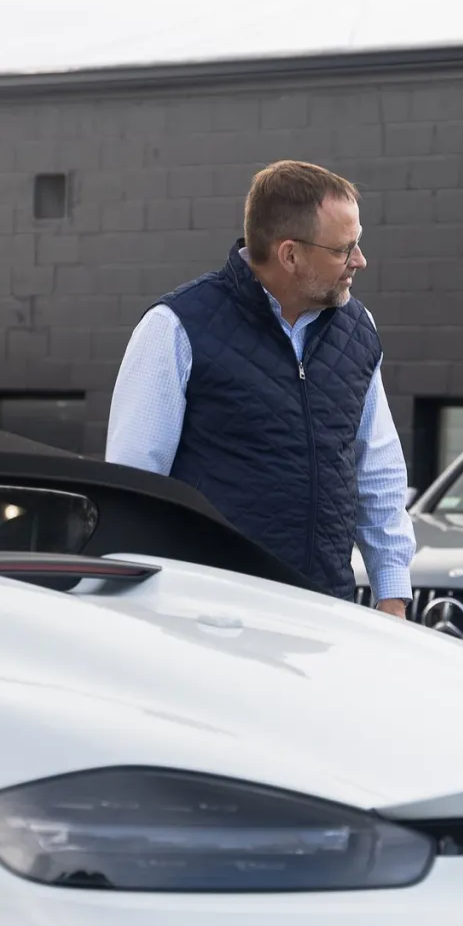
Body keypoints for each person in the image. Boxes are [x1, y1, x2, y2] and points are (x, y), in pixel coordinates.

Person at [105, 159, 415, 617]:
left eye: (358, 243)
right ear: (290, 254)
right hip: (211, 620)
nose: (359, 261)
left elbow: (378, 469)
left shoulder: (357, 329)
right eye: (343, 249)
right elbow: (134, 492)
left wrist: (392, 592)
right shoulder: (174, 329)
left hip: (327, 617)